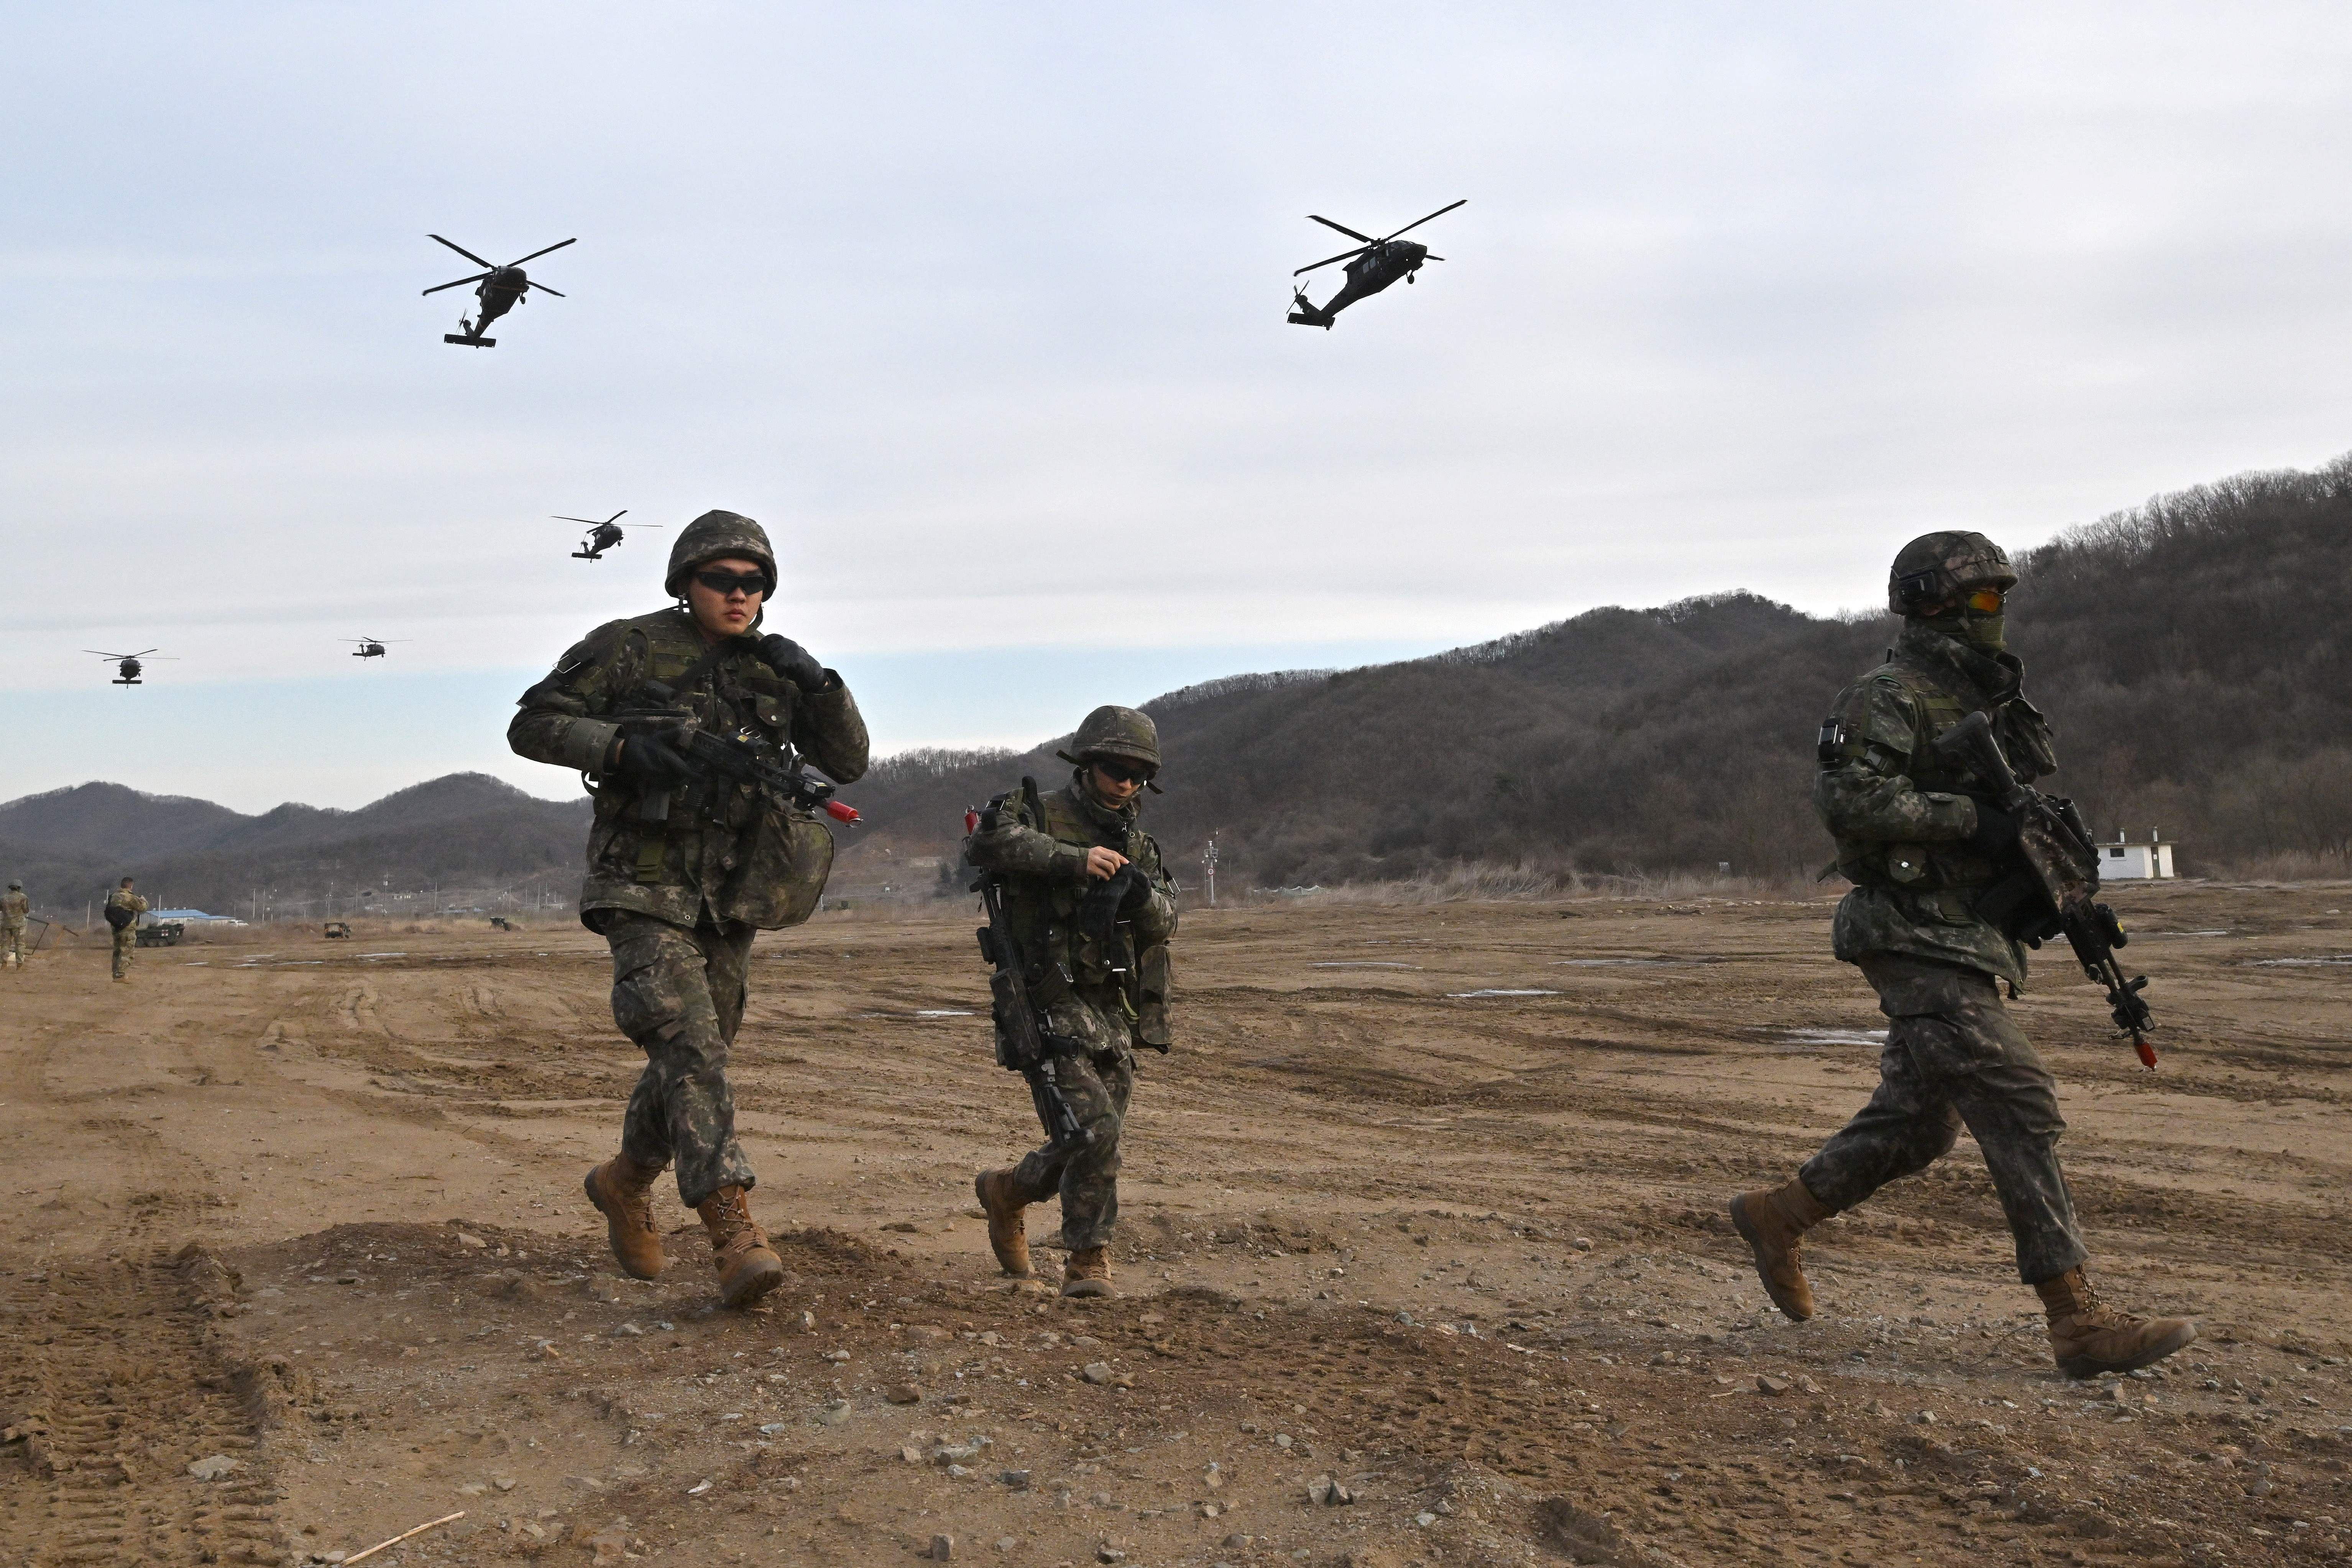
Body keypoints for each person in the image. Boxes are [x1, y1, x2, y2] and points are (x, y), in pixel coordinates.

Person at [1730, 531, 2196, 1379]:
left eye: (2000, 599)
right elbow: (1845, 797)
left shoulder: (1987, 699)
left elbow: (2020, 821)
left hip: (1967, 933)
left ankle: (1777, 1215)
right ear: (1930, 603)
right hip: (1908, 928)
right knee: (2014, 1095)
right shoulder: (1883, 696)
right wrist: (1963, 821)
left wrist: (2069, 905)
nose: (1997, 613)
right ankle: (2076, 1318)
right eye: (1982, 599)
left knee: (1918, 1123)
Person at [508, 510, 869, 1307]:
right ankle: (730, 1224)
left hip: (729, 895)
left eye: (755, 582)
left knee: (689, 1062)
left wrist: (818, 682)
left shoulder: (771, 669)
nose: (740, 594)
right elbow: (531, 723)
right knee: (691, 1048)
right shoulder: (629, 645)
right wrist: (621, 748)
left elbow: (848, 760)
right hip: (640, 884)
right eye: (722, 580)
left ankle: (625, 1179)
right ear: (685, 584)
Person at [967, 706, 1178, 1298]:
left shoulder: (1138, 842)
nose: (1128, 783)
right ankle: (1087, 1258)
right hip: (1049, 1001)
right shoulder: (1034, 812)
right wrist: (1073, 859)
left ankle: (1008, 1190)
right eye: (1117, 769)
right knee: (1095, 1129)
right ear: (1087, 765)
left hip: (1112, 1007)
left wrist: (1138, 895)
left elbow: (1167, 920)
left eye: (1140, 775)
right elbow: (987, 845)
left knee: (1090, 1138)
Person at [103, 877, 147, 983]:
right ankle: (120, 976)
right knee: (127, 952)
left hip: (116, 928)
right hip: (127, 928)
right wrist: (143, 900)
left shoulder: (114, 897)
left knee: (117, 952)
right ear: (131, 886)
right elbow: (143, 908)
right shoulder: (130, 897)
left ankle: (116, 974)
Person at [2, 880, 29, 968]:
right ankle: (19, 965)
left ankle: (4, 964)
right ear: (19, 888)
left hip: (6, 924)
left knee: (5, 945)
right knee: (20, 944)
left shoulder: (4, 898)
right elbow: (26, 910)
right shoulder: (23, 897)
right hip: (19, 925)